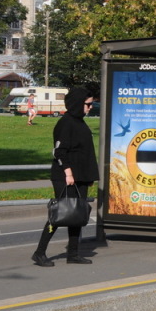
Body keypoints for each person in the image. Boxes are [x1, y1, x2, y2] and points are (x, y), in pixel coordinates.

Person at [31, 88, 99, 267]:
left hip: (80, 177)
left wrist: (88, 176)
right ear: (78, 104)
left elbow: (84, 153)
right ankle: (39, 253)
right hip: (66, 177)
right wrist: (68, 172)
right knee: (60, 214)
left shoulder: (80, 122)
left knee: (76, 215)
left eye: (91, 104)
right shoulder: (65, 123)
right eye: (88, 104)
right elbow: (59, 151)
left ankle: (73, 254)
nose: (91, 107)